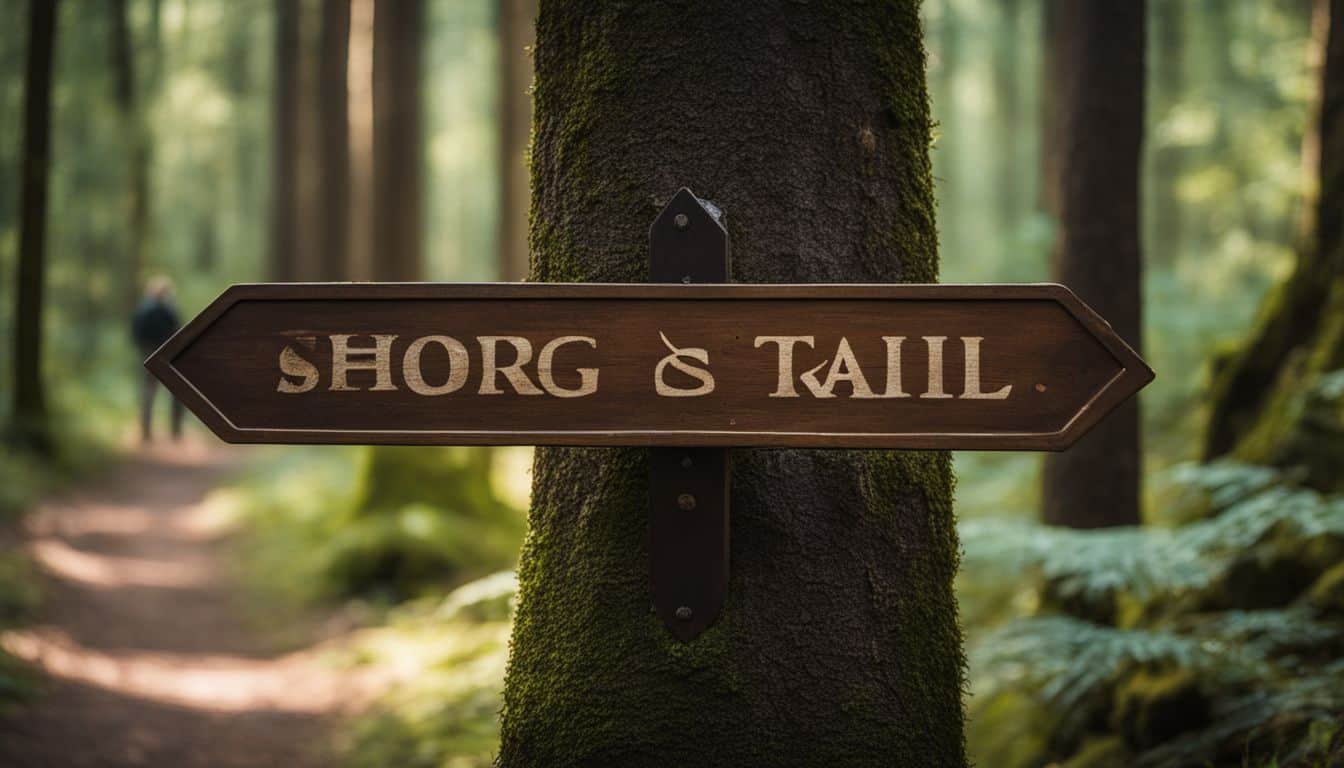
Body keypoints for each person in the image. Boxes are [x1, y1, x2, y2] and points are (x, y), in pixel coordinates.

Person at [131, 276, 184, 442]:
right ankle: (175, 431)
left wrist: (143, 349)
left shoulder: (143, 309)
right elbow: (178, 330)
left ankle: (146, 432)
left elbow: (136, 332)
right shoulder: (169, 309)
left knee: (149, 391)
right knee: (178, 391)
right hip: (169, 355)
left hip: (149, 354)